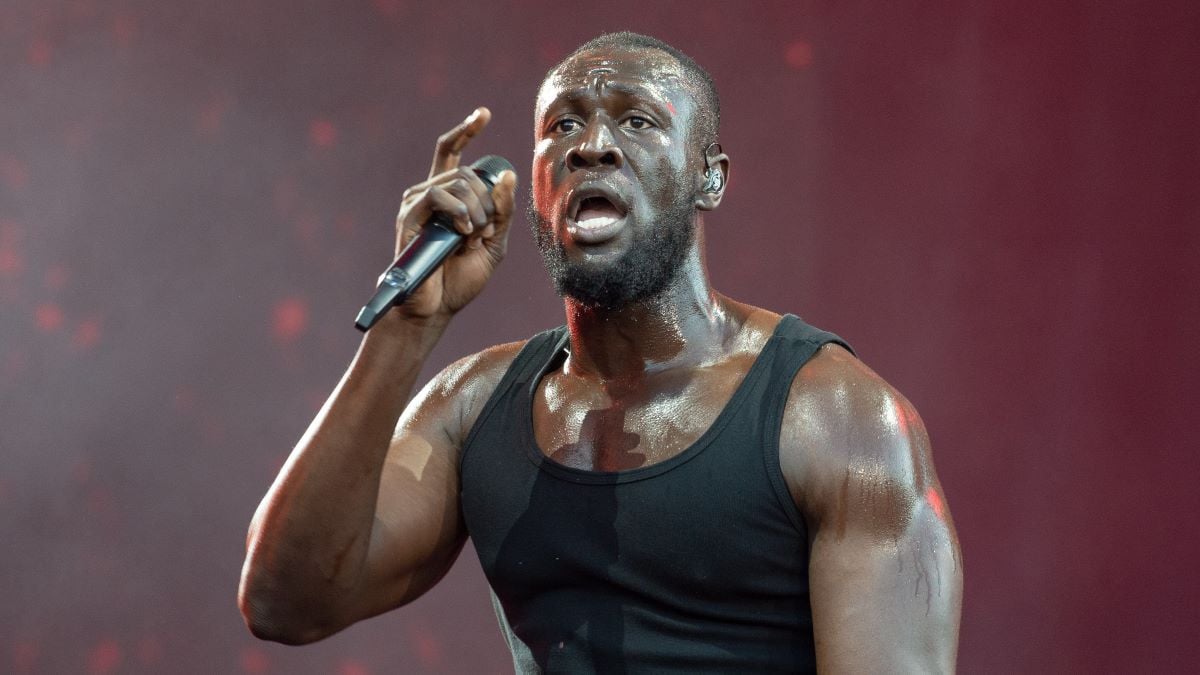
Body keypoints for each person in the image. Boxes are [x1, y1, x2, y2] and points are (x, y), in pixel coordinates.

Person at [238, 32, 962, 673]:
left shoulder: (839, 418)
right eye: (563, 126)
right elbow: (285, 601)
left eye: (638, 120)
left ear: (709, 177)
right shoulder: (475, 407)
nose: (592, 145)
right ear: (538, 186)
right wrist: (406, 326)